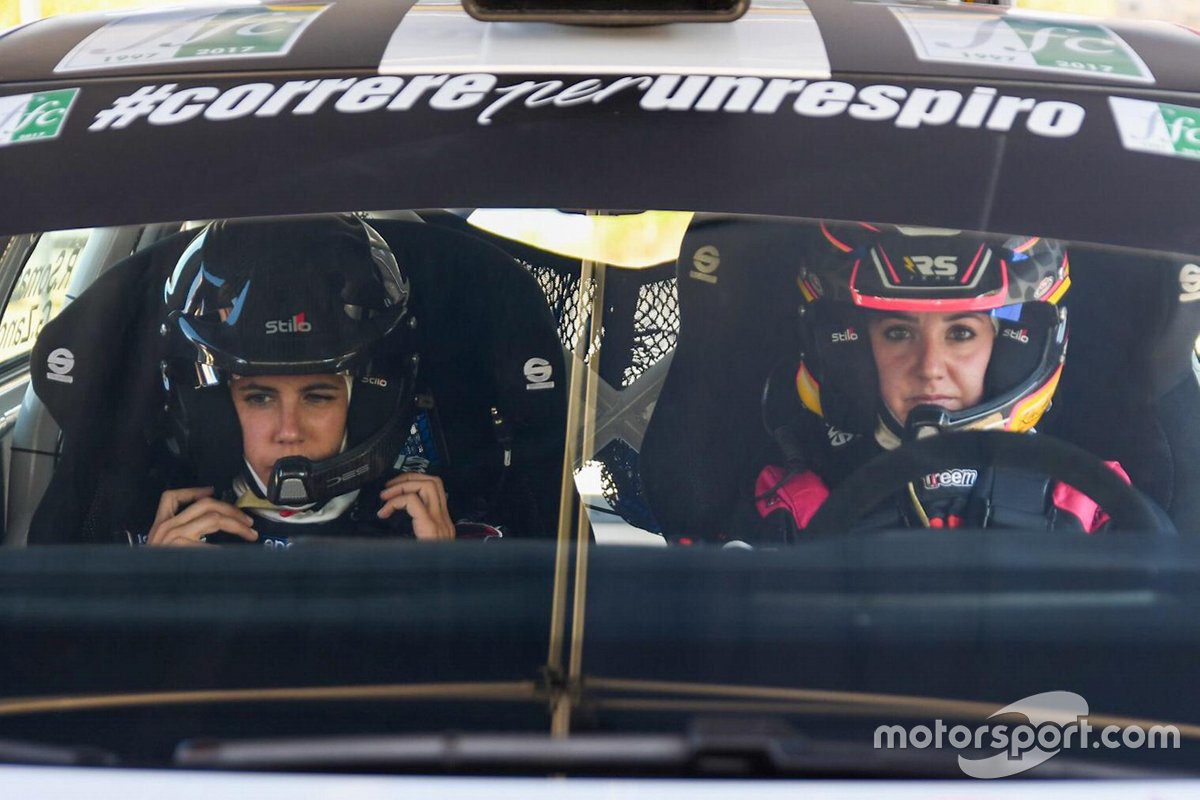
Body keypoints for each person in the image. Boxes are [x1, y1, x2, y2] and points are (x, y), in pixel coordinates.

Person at [750, 221, 1130, 540]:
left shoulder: (1092, 496)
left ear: (1013, 349)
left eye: (961, 333)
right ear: (851, 351)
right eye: (898, 333)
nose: (929, 367)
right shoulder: (795, 505)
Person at [144, 215, 482, 546]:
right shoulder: (155, 533)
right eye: (259, 398)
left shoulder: (439, 532)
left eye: (318, 397)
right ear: (211, 408)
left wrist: (439, 575)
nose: (289, 432)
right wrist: (164, 590)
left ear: (368, 401)